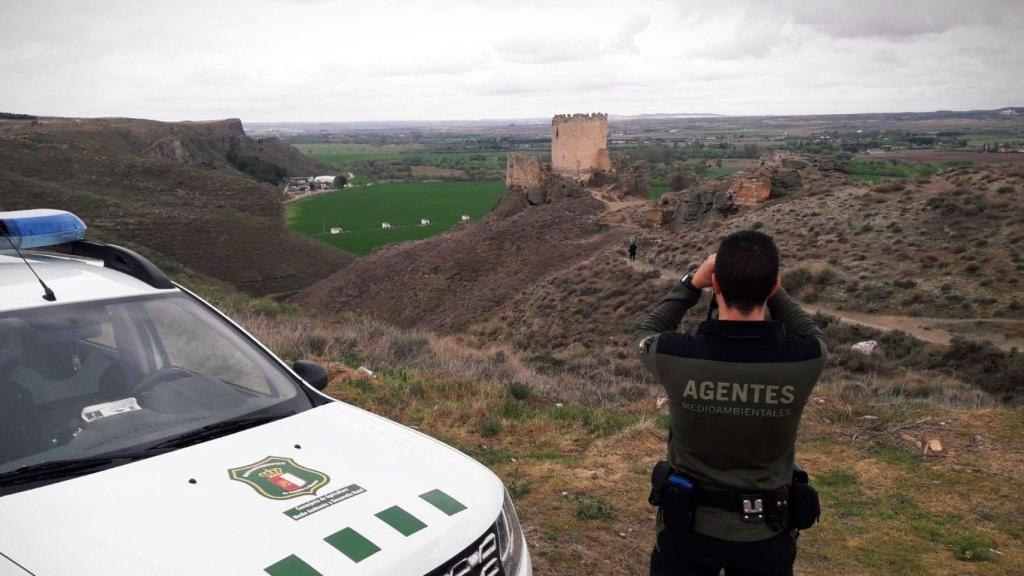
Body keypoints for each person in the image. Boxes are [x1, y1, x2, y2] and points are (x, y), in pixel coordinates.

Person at [632, 230, 827, 576]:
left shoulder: (676, 355)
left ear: (716, 286)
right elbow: (813, 335)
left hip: (688, 528)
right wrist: (775, 291)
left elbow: (644, 333)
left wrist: (691, 284)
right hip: (767, 532)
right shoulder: (803, 360)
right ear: (772, 287)